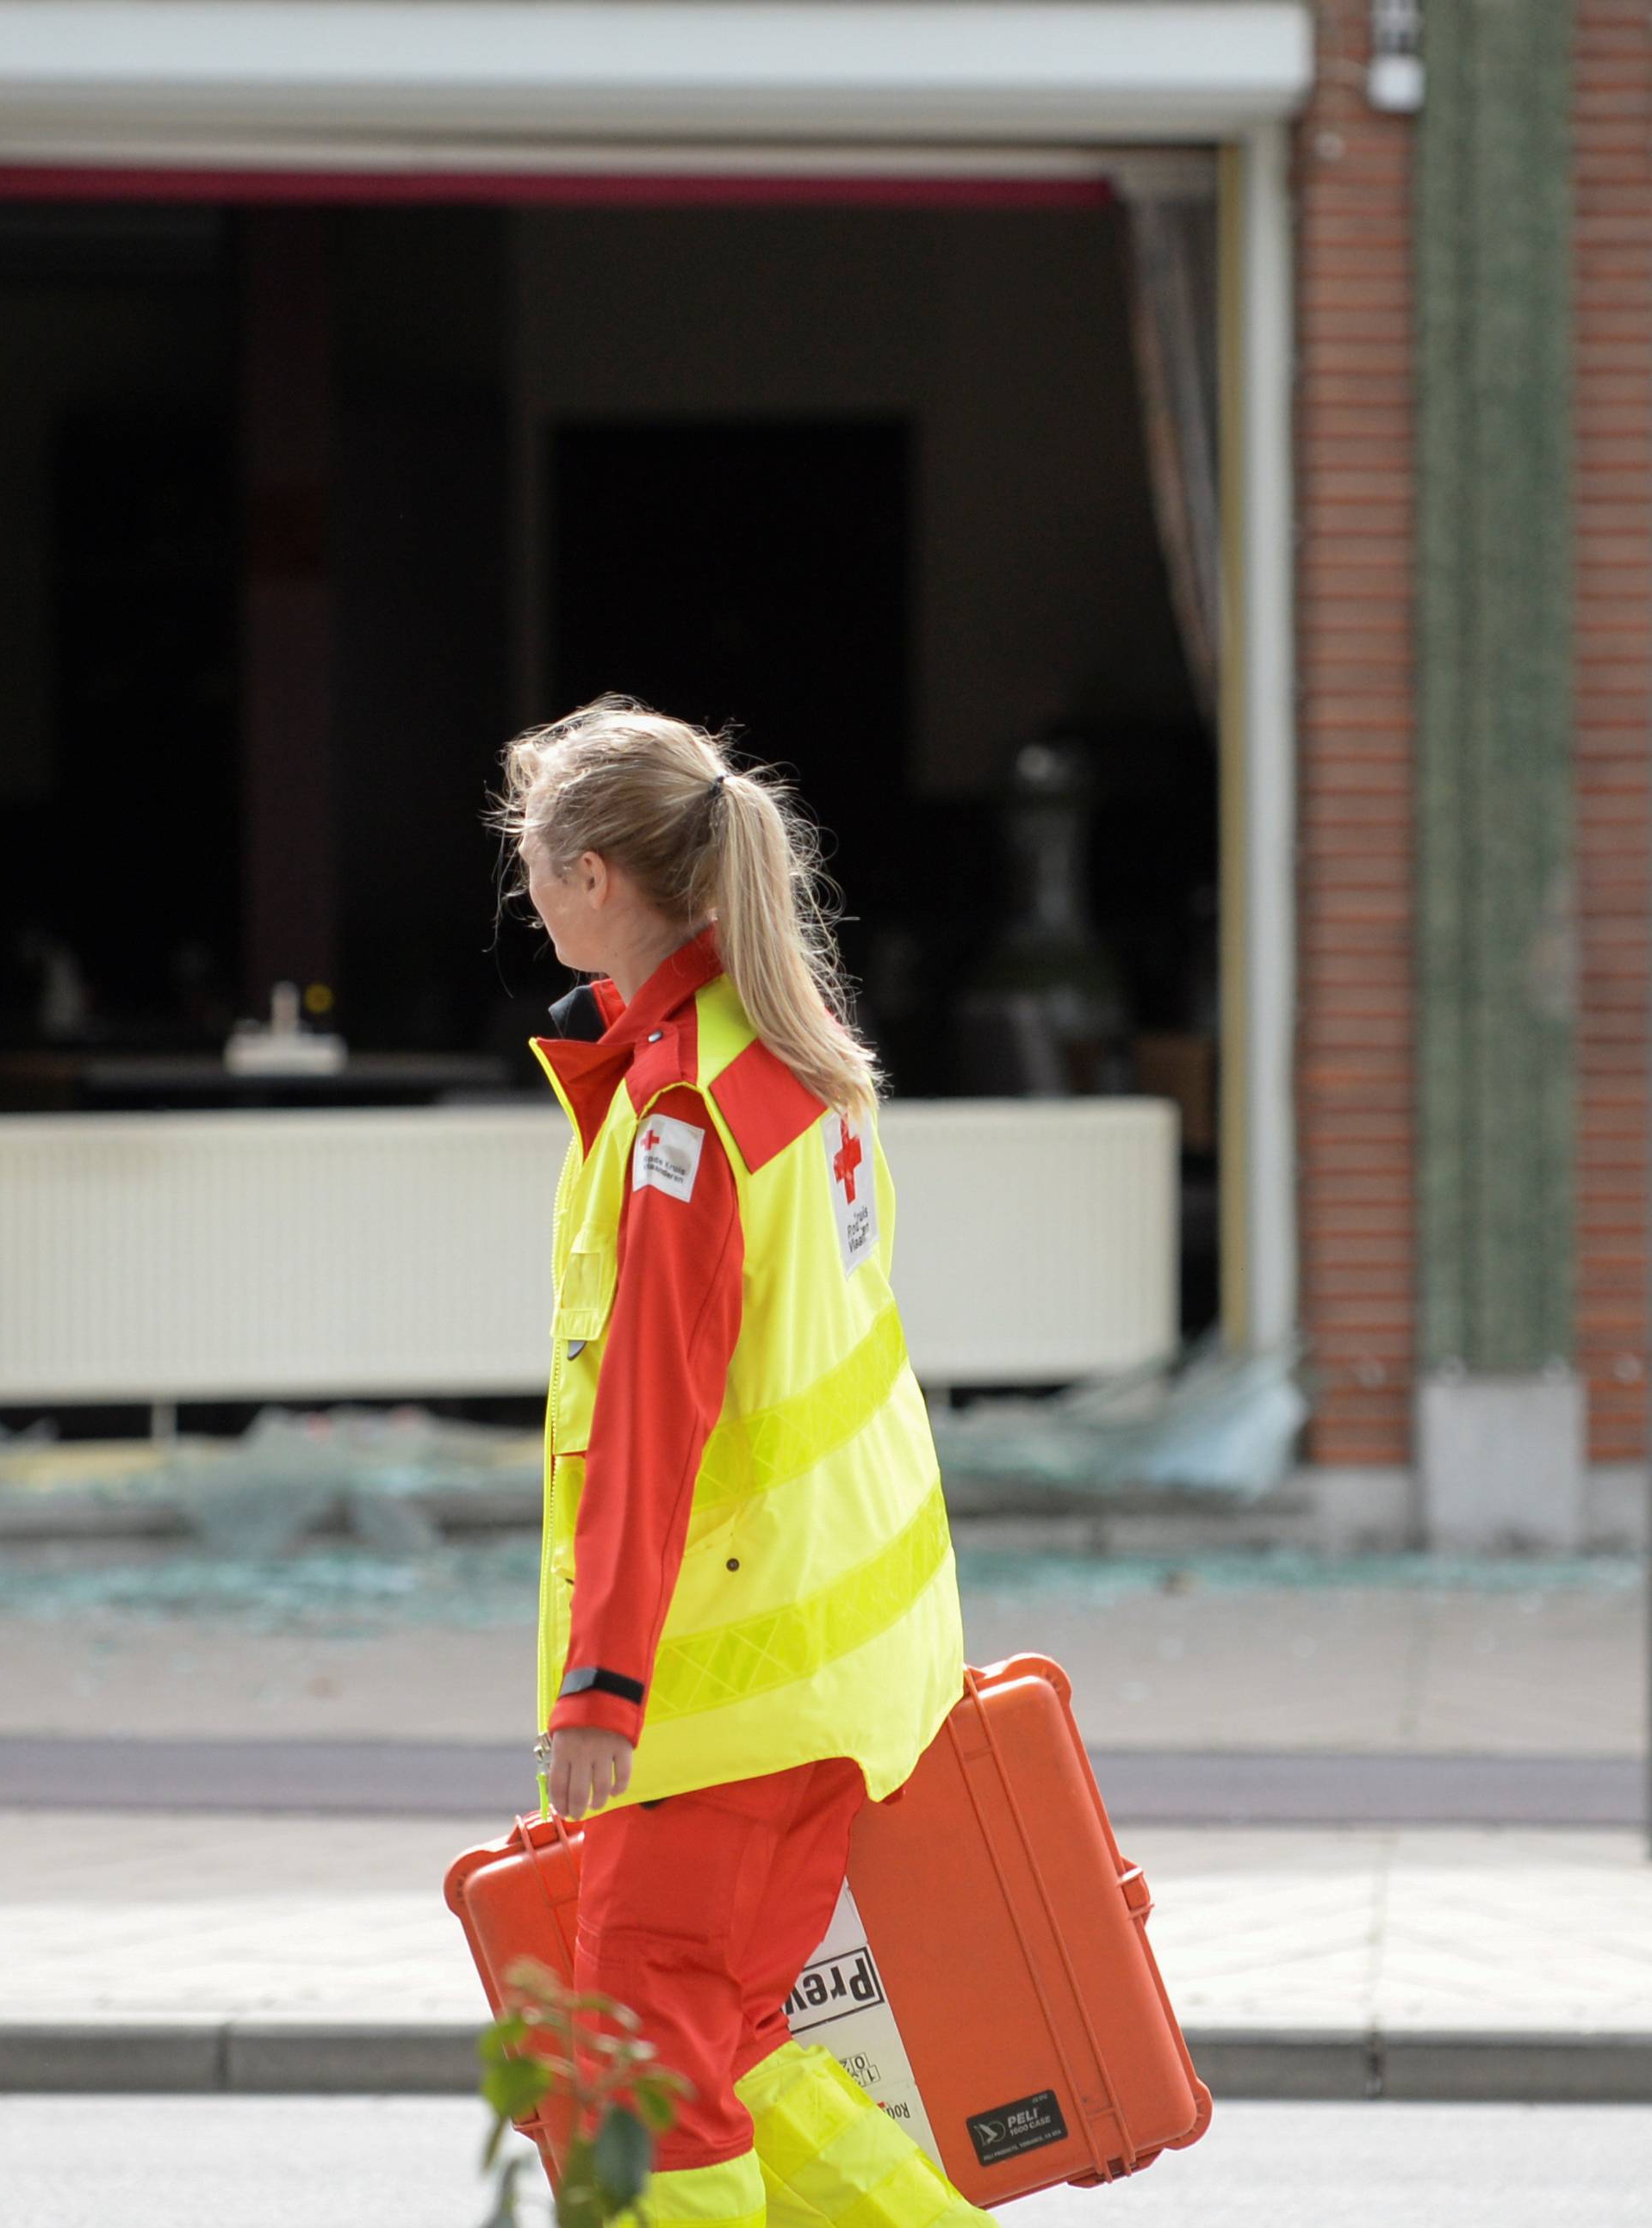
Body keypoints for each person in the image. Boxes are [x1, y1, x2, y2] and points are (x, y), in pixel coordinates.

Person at [490, 694, 991, 2228]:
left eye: (531, 862)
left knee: (638, 2080)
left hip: (725, 1692)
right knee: (740, 2043)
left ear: (594, 880)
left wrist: (602, 1694)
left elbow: (653, 1423)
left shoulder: (682, 1113)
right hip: (835, 1665)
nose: (523, 888)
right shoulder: (788, 1065)